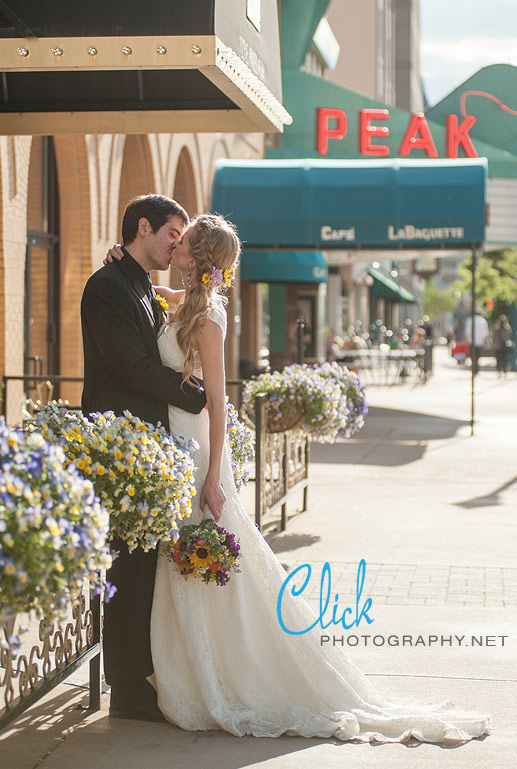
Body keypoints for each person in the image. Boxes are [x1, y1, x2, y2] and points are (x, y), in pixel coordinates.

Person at [104, 214, 489, 744]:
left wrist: (214, 475)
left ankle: (236, 677)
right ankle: (191, 672)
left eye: (184, 242)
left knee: (213, 564)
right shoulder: (188, 299)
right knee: (185, 567)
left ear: (199, 257)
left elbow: (218, 403)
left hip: (197, 452)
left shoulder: (210, 315)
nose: (174, 248)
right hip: (175, 443)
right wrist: (122, 262)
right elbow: (154, 289)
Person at [81, 194, 207, 722]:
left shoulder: (134, 280)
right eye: (171, 234)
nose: (176, 244)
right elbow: (131, 367)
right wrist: (194, 393)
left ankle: (142, 676)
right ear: (143, 227)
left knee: (143, 570)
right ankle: (126, 690)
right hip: (120, 447)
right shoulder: (107, 286)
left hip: (148, 445)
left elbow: (164, 311)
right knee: (127, 571)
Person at [465, 310, 489, 375]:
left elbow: (467, 332)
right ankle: (476, 369)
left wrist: (466, 341)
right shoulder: (483, 321)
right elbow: (485, 333)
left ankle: (474, 368)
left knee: (473, 356)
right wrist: (486, 342)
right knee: (478, 356)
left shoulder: (470, 320)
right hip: (480, 342)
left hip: (471, 341)